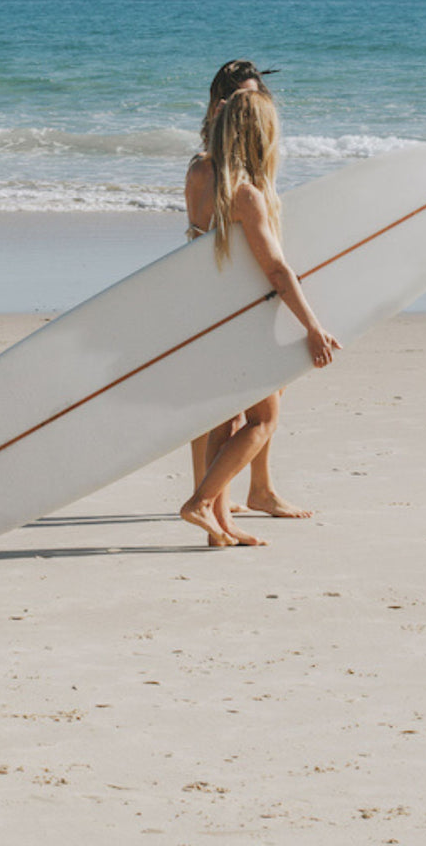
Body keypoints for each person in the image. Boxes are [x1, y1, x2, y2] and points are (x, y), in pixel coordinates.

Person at [180, 88, 340, 547]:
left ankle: (221, 527)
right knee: (263, 419)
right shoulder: (246, 195)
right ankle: (200, 502)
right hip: (243, 321)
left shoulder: (201, 178)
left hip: (211, 314)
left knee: (226, 421)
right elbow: (275, 269)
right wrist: (313, 327)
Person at [185, 61, 308, 527]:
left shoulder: (205, 171)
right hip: (237, 308)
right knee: (247, 415)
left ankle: (236, 497)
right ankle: (209, 496)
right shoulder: (238, 186)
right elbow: (268, 263)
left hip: (222, 303)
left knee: (239, 410)